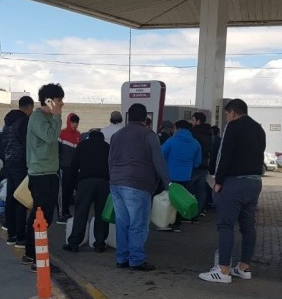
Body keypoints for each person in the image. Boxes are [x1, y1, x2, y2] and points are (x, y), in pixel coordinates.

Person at [199, 98, 265, 283]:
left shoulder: (233, 126)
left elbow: (223, 154)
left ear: (233, 113)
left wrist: (218, 181)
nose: (227, 117)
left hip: (234, 183)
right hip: (254, 182)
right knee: (248, 226)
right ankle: (244, 268)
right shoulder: (258, 128)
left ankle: (223, 270)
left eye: (227, 114)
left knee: (225, 226)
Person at [109, 103, 171, 271]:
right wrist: (168, 184)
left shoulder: (117, 135)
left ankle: (122, 258)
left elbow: (110, 161)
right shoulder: (148, 135)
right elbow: (159, 161)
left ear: (129, 117)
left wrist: (113, 179)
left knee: (122, 223)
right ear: (145, 118)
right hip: (138, 184)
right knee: (138, 224)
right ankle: (136, 259)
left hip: (116, 183)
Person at [23, 83, 64, 272]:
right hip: (41, 174)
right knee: (41, 216)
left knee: (41, 215)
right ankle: (37, 259)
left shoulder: (45, 117)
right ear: (48, 101)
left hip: (47, 173)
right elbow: (50, 137)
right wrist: (57, 117)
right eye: (58, 100)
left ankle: (32, 253)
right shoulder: (39, 118)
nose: (61, 104)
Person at [63, 129, 110, 253]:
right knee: (101, 214)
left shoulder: (82, 145)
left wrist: (73, 186)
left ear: (89, 137)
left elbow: (74, 166)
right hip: (104, 183)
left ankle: (74, 243)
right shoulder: (107, 147)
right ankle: (100, 244)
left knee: (81, 212)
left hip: (85, 182)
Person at [1, 95, 34, 248]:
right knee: (21, 199)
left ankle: (11, 234)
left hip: (9, 162)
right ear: (29, 108)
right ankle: (21, 237)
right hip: (21, 163)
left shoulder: (7, 123)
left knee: (10, 197)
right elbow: (27, 144)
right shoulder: (24, 121)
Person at [160, 120, 201, 232]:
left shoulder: (171, 141)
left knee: (168, 200)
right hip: (186, 176)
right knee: (180, 200)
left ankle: (166, 222)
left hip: (170, 175)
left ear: (177, 128)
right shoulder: (195, 143)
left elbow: (160, 154)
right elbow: (198, 162)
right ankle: (177, 224)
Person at [58, 113, 81, 223]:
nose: (75, 124)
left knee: (70, 191)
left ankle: (66, 211)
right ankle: (61, 214)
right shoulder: (62, 134)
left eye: (76, 122)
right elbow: (57, 150)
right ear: (68, 122)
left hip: (74, 169)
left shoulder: (78, 135)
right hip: (64, 167)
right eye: (73, 122)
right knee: (62, 191)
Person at [190, 112, 213, 217]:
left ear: (198, 121)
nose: (192, 122)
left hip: (195, 164)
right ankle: (199, 210)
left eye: (193, 120)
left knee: (190, 188)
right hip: (205, 163)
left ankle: (191, 211)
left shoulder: (194, 132)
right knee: (201, 188)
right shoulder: (209, 132)